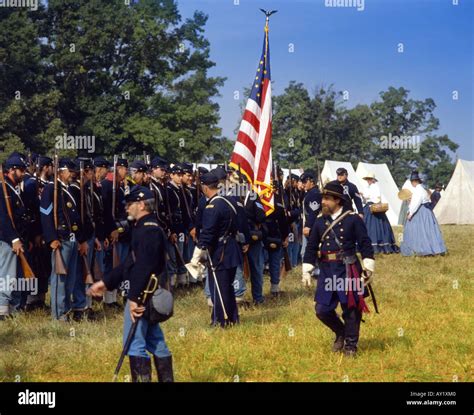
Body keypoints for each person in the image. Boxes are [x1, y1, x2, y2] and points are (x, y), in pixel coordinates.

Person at [88, 186, 174, 382]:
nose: (126, 208)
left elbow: (143, 267)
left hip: (143, 294)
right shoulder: (144, 227)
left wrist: (134, 299)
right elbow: (130, 262)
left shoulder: (148, 230)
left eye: (130, 204)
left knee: (134, 343)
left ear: (142, 204)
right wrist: (106, 282)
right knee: (155, 340)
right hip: (148, 293)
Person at [302, 182, 375, 357]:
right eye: (323, 199)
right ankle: (341, 332)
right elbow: (311, 247)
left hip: (348, 268)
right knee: (322, 310)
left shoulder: (353, 220)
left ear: (337, 200)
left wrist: (368, 266)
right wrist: (306, 269)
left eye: (327, 199)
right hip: (327, 270)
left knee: (351, 310)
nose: (323, 202)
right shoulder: (320, 222)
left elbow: (365, 243)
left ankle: (351, 345)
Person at [190, 171, 242, 327]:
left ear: (206, 188)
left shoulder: (213, 205)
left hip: (221, 251)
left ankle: (221, 321)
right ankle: (232, 318)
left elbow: (208, 232)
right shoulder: (229, 200)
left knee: (218, 287)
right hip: (231, 247)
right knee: (227, 286)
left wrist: (198, 252)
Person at [40, 158, 89, 321]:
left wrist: (81, 240)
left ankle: (66, 310)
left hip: (73, 239)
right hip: (60, 239)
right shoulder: (51, 189)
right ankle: (58, 314)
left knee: (70, 279)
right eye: (70, 171)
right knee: (59, 279)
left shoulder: (70, 190)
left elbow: (76, 218)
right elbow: (45, 215)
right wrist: (51, 238)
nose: (72, 175)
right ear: (61, 171)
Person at [0, 155, 29, 320]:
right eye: (21, 170)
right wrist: (14, 239)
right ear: (12, 170)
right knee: (7, 276)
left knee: (16, 276)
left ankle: (12, 308)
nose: (24, 173)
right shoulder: (2, 188)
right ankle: (2, 310)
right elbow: (3, 217)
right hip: (7, 239)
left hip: (17, 239)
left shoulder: (11, 188)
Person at [400, 171, 446, 257]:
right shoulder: (422, 188)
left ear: (414, 181)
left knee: (414, 230)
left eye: (412, 181)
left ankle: (421, 249)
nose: (411, 183)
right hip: (426, 211)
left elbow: (416, 203)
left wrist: (410, 213)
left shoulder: (418, 189)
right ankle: (434, 249)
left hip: (420, 211)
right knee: (429, 231)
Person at [360, 173, 399, 254]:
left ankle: (378, 245)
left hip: (374, 207)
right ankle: (366, 245)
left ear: (373, 179)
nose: (368, 180)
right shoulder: (367, 187)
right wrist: (363, 196)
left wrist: (366, 196)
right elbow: (365, 200)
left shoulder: (375, 187)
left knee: (375, 226)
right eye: (367, 179)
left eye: (370, 179)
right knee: (365, 225)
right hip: (368, 206)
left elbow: (377, 198)